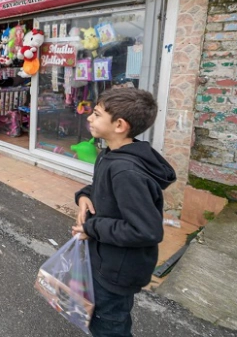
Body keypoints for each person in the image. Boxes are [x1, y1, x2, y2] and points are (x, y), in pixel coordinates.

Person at [71, 88, 176, 337]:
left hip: (117, 270)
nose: (89, 118)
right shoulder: (110, 153)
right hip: (106, 259)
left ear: (119, 125)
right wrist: (84, 196)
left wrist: (91, 228)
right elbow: (102, 188)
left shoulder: (126, 171)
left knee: (109, 325)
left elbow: (146, 230)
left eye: (96, 114)